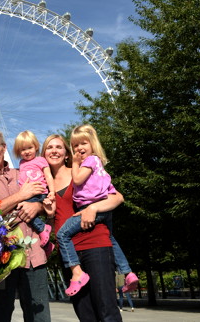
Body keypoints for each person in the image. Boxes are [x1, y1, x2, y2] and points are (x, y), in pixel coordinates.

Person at [0, 129, 51, 322]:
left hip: (34, 257)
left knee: (39, 316)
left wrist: (37, 206)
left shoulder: (22, 172)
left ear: (4, 147)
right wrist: (21, 196)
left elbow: (46, 201)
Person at [42, 134, 123, 321]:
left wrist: (93, 208)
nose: (54, 151)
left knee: (106, 311)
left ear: (67, 153)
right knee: (85, 314)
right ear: (43, 154)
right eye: (49, 147)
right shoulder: (44, 185)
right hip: (69, 255)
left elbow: (117, 197)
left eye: (59, 147)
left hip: (95, 244)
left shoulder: (80, 173)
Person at [56, 125, 138, 296]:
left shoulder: (90, 161)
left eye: (83, 143)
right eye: (75, 145)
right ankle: (128, 273)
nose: (79, 148)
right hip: (103, 207)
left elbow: (77, 180)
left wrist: (76, 163)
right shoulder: (98, 165)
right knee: (111, 238)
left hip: (93, 207)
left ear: (92, 143)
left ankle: (77, 273)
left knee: (62, 234)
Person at [13, 130, 55, 253]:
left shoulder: (41, 160)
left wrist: (52, 191)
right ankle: (47, 246)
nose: (27, 152)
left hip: (39, 193)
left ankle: (43, 229)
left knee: (23, 211)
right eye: (23, 149)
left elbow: (48, 176)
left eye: (29, 148)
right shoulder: (21, 163)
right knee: (27, 219)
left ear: (36, 147)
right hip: (28, 195)